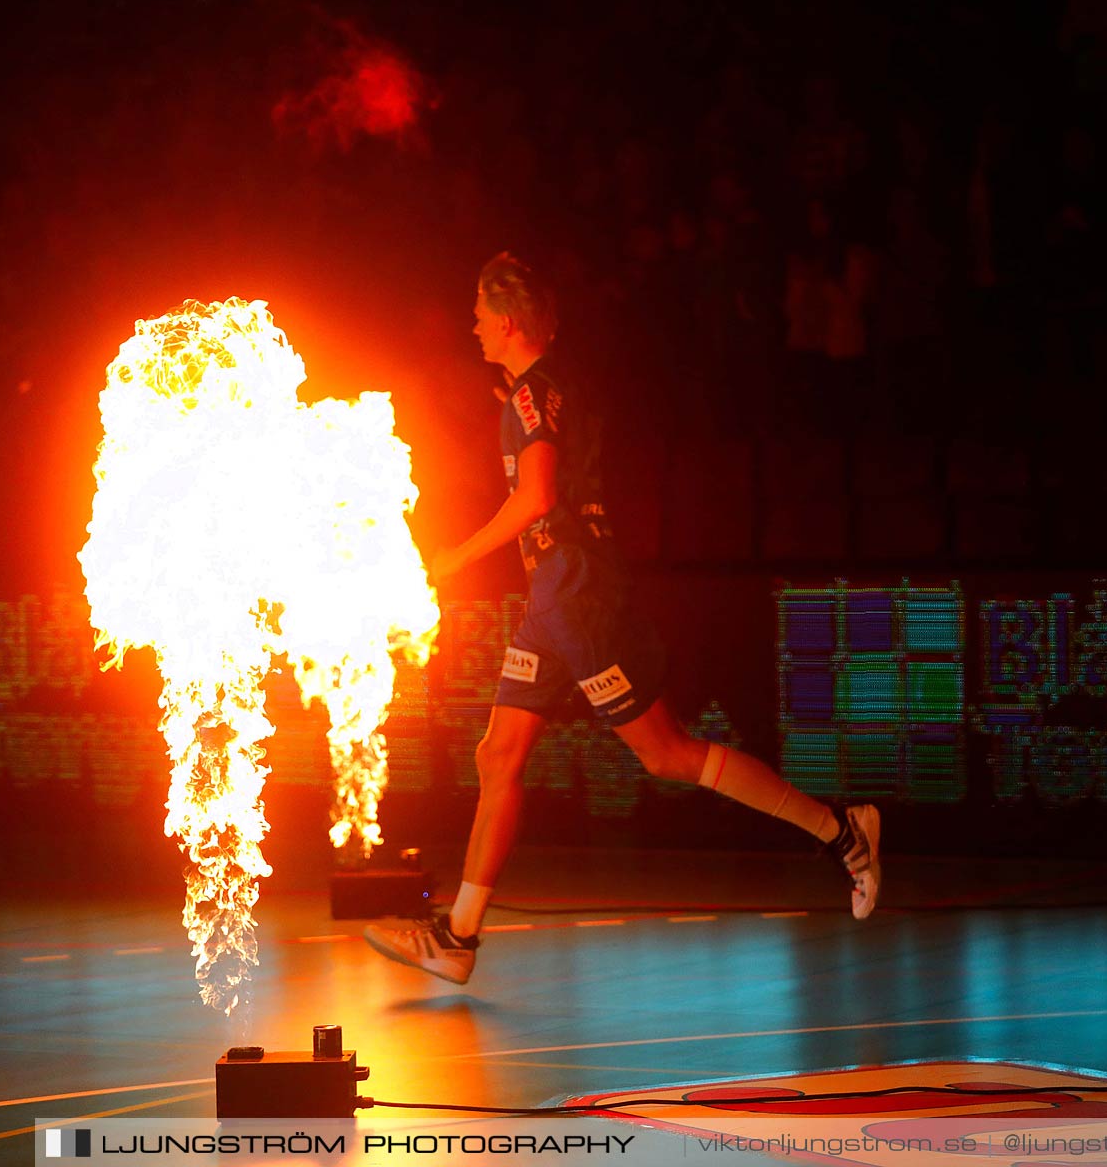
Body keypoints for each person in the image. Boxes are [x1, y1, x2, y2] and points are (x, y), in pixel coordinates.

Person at [362, 252, 881, 985]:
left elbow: (538, 496)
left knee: (666, 753)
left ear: (508, 322)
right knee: (497, 754)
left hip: (579, 599)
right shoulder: (545, 387)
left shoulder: (533, 397)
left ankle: (839, 830)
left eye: (480, 313)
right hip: (552, 603)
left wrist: (457, 558)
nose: (472, 325)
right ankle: (458, 936)